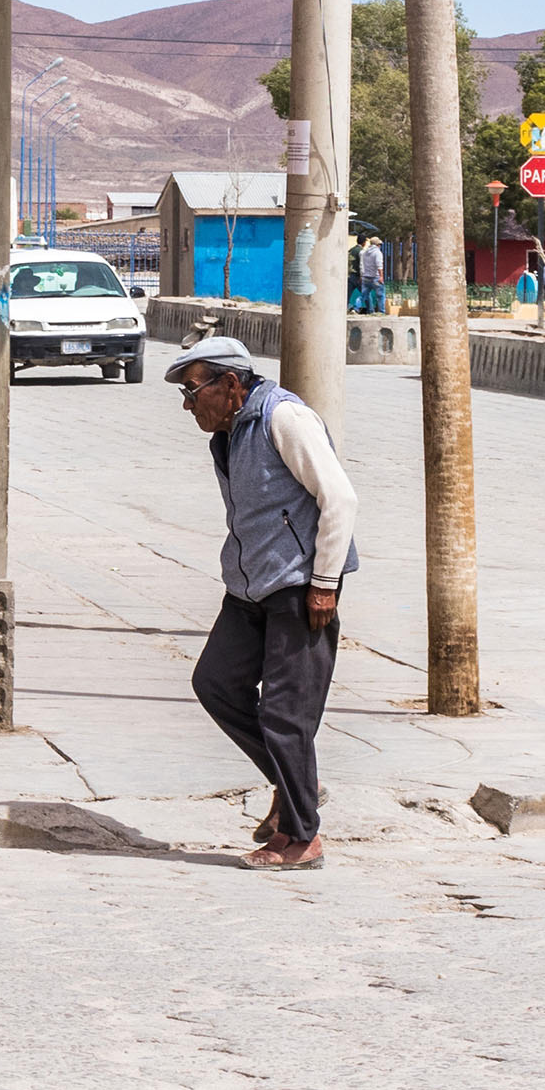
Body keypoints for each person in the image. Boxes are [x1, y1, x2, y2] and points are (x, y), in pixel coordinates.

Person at [166, 334, 357, 871]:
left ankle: (301, 838)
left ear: (230, 383)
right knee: (216, 683)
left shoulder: (284, 418)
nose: (188, 404)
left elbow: (339, 498)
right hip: (248, 588)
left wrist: (324, 583)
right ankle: (295, 782)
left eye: (192, 390)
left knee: (285, 713)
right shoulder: (228, 434)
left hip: (301, 586)